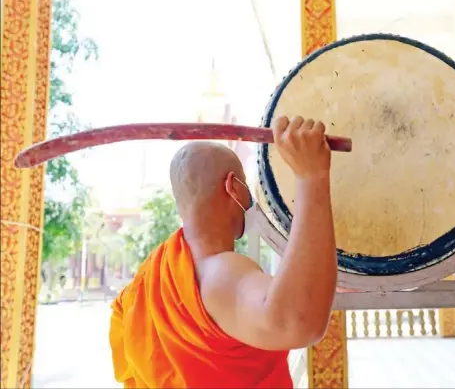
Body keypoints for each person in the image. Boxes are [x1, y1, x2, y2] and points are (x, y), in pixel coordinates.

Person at [109, 116, 338, 388]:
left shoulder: (149, 281)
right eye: (245, 186)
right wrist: (311, 177)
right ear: (233, 187)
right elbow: (296, 322)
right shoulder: (219, 271)